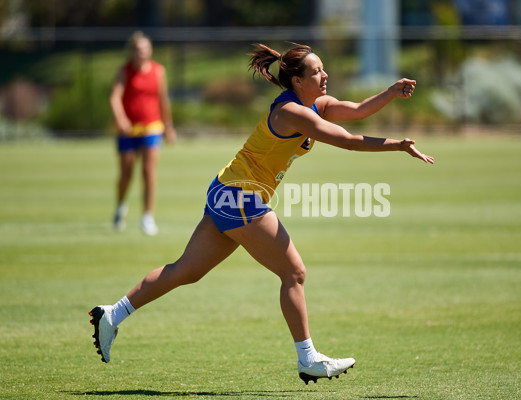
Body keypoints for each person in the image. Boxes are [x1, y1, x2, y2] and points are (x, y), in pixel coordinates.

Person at [90, 43, 434, 384]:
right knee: (294, 273)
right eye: (317, 71)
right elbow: (346, 140)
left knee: (186, 271)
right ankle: (308, 358)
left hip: (225, 190)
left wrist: (390, 92)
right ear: (297, 81)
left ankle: (112, 314)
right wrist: (397, 145)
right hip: (241, 196)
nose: (325, 75)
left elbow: (356, 109)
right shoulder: (293, 113)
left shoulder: (313, 104)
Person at [109, 31, 176, 236]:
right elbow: (115, 97)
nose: (142, 52)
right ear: (132, 51)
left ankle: (147, 216)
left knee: (148, 172)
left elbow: (163, 99)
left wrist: (168, 125)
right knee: (126, 174)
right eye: (138, 49)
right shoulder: (125, 71)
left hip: (152, 127)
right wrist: (121, 119)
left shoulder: (158, 71)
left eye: (146, 48)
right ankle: (120, 206)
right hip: (128, 131)